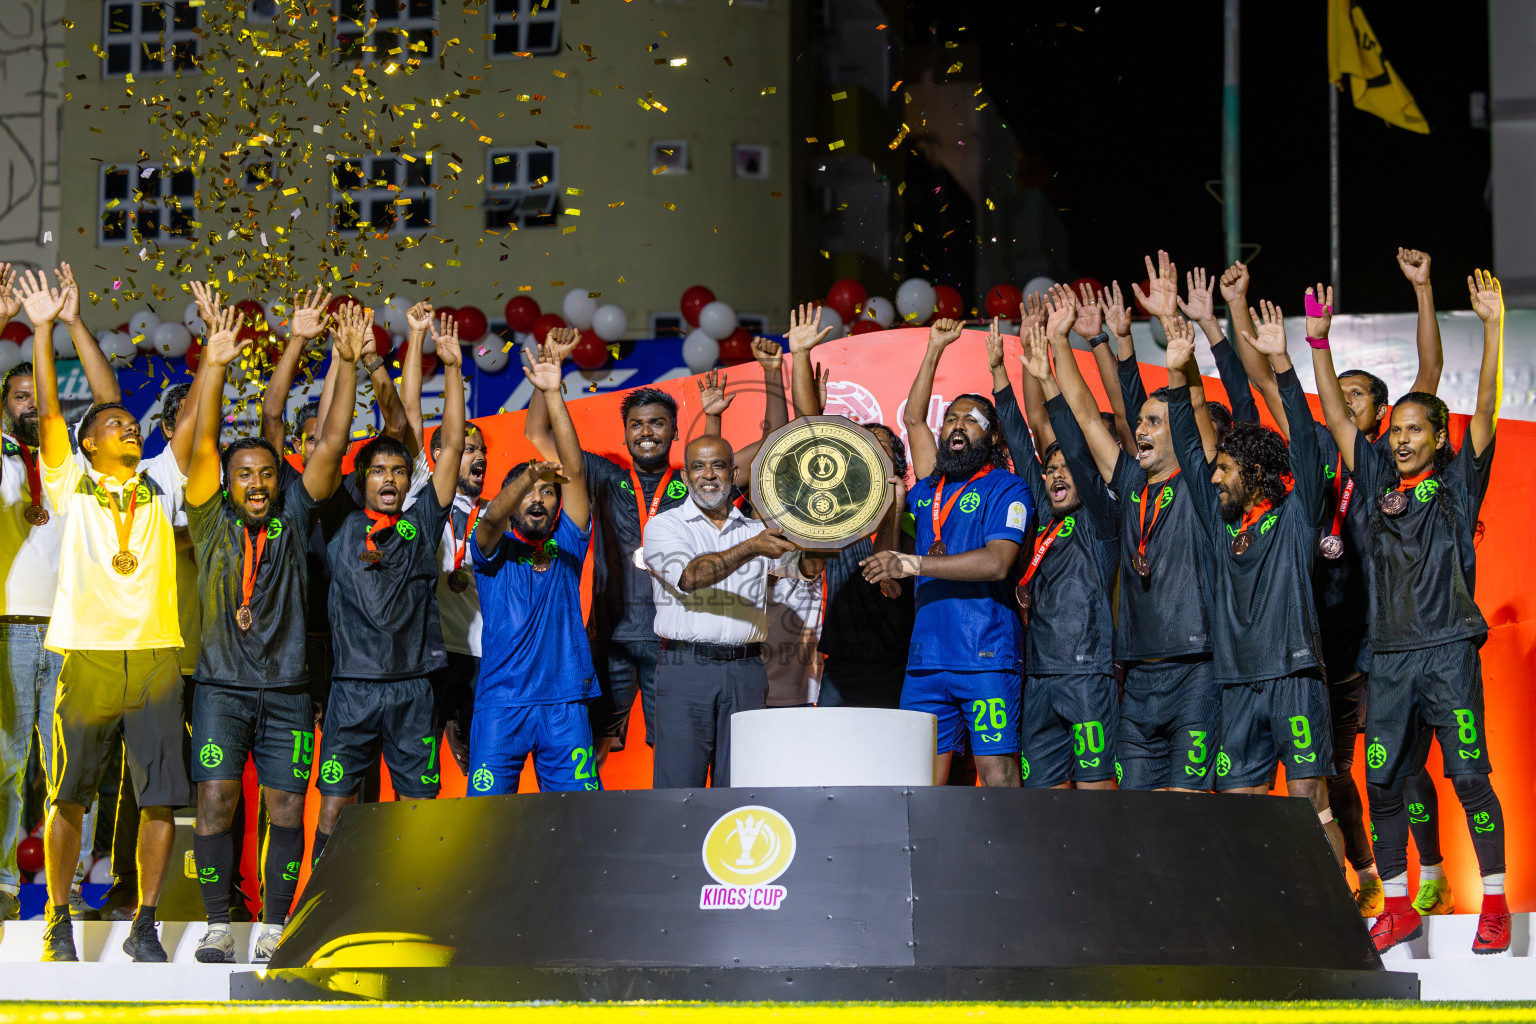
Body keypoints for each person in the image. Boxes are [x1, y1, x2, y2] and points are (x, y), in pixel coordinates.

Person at [1224, 251, 1449, 918]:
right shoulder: (1317, 451)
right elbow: (1267, 383)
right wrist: (1237, 307)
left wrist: (1424, 289)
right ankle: (1366, 876)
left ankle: (1430, 870)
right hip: (1319, 640)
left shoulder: (1385, 458)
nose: (1343, 398)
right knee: (1336, 772)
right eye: (1338, 389)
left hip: (1383, 634)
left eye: (1357, 393)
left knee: (1401, 760)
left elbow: (1429, 376)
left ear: (1381, 413)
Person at [1313, 271, 1510, 955]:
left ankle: (1496, 900)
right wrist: (1317, 344)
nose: (1398, 439)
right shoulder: (1374, 484)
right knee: (1383, 781)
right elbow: (1340, 419)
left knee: (1468, 777)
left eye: (1412, 430)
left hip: (1448, 650)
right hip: (1388, 658)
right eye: (1394, 431)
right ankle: (1396, 903)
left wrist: (1493, 328)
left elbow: (1483, 407)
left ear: (1437, 436)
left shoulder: (1456, 489)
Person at [17, 269, 190, 962]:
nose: (126, 425)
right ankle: (59, 917)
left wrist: (79, 321)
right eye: (112, 424)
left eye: (129, 422)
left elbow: (115, 398)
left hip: (154, 657)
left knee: (158, 801)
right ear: (88, 444)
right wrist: (42, 329)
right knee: (69, 800)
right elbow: (58, 411)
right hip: (85, 654)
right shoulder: (71, 482)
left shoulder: (161, 480)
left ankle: (145, 919)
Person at [183, 296, 356, 963]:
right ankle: (218, 925)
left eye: (265, 474)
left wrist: (340, 360)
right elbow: (200, 439)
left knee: (286, 810)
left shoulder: (294, 514)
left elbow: (332, 442)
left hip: (287, 692)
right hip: (221, 690)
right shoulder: (207, 517)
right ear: (225, 484)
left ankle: (273, 926)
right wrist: (215, 365)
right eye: (244, 475)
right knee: (216, 804)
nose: (257, 484)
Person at [1163, 307, 1343, 864]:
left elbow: (1309, 448)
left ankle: (1338, 928)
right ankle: (1268, 917)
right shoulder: (1223, 528)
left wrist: (1285, 362)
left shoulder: (1294, 516)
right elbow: (1190, 453)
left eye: (1226, 469)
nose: (1214, 477)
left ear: (1257, 475)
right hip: (1236, 683)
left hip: (1293, 676)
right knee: (1240, 808)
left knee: (1311, 804)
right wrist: (1177, 373)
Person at [1047, 274, 1220, 793]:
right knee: (1137, 817)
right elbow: (1084, 415)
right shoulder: (1129, 482)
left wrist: (1175, 337)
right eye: (1140, 422)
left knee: (1187, 811)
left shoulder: (1200, 482)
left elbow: (1196, 418)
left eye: (1154, 423)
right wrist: (1059, 342)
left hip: (1197, 669)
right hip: (1138, 674)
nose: (1141, 430)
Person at [309, 309, 466, 864]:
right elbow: (329, 440)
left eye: (400, 471)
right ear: (362, 479)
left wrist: (452, 369)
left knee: (417, 805)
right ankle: (319, 915)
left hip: (413, 691)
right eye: (379, 471)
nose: (391, 479)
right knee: (334, 809)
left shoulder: (423, 521)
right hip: (351, 690)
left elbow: (449, 446)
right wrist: (346, 362)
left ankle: (413, 905)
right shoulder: (335, 521)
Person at [0, 265, 123, 923]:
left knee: (72, 771)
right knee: (6, 761)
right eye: (16, 395)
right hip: (10, 628)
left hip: (77, 630)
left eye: (34, 393)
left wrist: (70, 323)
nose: (28, 403)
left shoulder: (75, 460)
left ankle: (68, 885)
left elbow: (112, 408)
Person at [861, 318, 1032, 788]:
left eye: (971, 421)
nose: (957, 425)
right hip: (926, 659)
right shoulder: (928, 485)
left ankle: (1010, 858)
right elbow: (914, 418)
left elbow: (998, 562)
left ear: (993, 438)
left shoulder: (1007, 488)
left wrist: (913, 563)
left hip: (985, 654)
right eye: (952, 418)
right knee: (918, 779)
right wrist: (934, 347)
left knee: (996, 773)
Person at [526, 341, 692, 766]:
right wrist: (549, 386)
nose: (647, 432)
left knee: (673, 749)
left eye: (658, 423)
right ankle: (582, 827)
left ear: (675, 430)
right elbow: (537, 435)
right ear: (625, 434)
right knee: (588, 749)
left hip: (673, 642)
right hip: (609, 638)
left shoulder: (695, 482)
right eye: (637, 425)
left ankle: (673, 829)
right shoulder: (601, 476)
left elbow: (753, 460)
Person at [642, 435, 826, 788]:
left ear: (734, 472)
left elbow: (807, 568)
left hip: (747, 670)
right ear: (685, 477)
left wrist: (820, 525)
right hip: (686, 669)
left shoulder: (758, 530)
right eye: (698, 466)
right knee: (678, 786)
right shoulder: (665, 526)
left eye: (718, 465)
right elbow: (690, 576)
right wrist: (752, 547)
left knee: (742, 786)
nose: (708, 474)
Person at [467, 343, 600, 794]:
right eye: (528, 492)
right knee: (484, 825)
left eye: (548, 492)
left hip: (565, 705)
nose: (538, 499)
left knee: (581, 824)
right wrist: (527, 476)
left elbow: (576, 472)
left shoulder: (567, 543)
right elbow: (489, 521)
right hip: (501, 707)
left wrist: (553, 393)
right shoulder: (491, 548)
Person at [1005, 320, 1120, 790]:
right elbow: (1019, 439)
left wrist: (1052, 377)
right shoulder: (1041, 519)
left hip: (1089, 675)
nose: (1056, 475)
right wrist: (1001, 373)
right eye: (1050, 470)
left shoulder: (1102, 520)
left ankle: (1107, 866)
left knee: (1096, 797)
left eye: (1067, 469)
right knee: (1043, 802)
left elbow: (1075, 441)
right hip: (1039, 676)